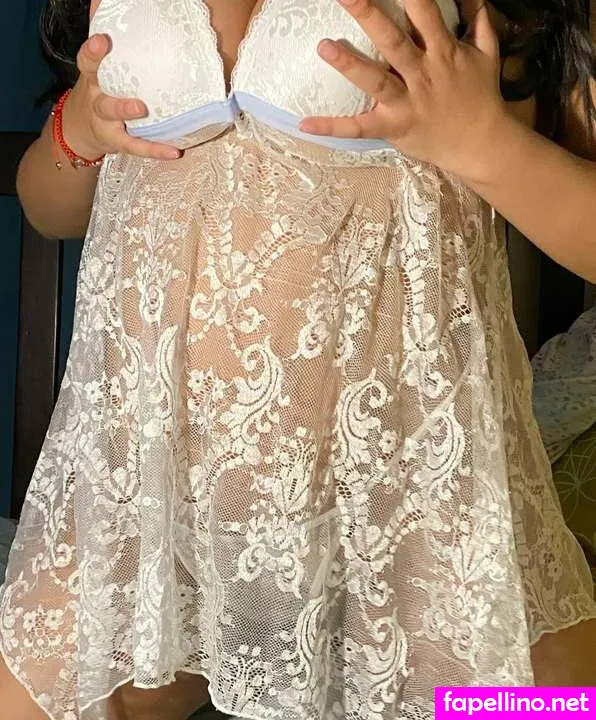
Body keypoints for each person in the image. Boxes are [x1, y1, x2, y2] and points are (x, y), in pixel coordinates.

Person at [0, 0, 595, 718]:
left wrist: (483, 143)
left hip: (418, 523)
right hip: (152, 514)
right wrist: (79, 130)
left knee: (559, 705)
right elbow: (49, 209)